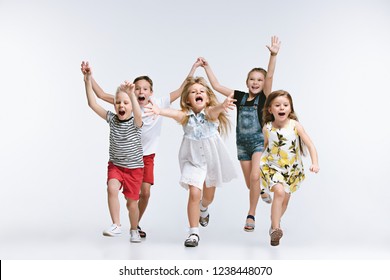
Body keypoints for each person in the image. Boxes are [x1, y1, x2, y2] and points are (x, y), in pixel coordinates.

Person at [81, 59, 202, 238]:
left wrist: (194, 68)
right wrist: (88, 77)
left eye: (145, 89)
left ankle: (135, 225)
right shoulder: (125, 104)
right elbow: (98, 96)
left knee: (144, 193)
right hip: (124, 159)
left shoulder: (157, 104)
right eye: (137, 88)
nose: (141, 91)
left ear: (151, 92)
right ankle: (126, 225)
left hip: (146, 157)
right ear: (132, 91)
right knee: (125, 196)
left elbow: (182, 88)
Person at [199, 36, 281, 232]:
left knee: (254, 176)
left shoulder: (264, 98)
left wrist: (273, 55)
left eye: (259, 80)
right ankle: (261, 190)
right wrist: (207, 67)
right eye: (252, 79)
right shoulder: (239, 96)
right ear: (246, 82)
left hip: (259, 142)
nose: (256, 82)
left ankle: (251, 215)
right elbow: (217, 86)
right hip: (241, 144)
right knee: (250, 183)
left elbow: (269, 77)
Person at [144, 76, 237, 247]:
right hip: (192, 161)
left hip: (211, 162)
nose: (198, 93)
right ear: (188, 99)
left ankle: (203, 209)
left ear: (207, 98)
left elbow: (215, 110)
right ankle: (193, 233)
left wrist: (223, 106)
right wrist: (160, 111)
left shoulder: (209, 114)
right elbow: (173, 113)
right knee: (194, 192)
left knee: (208, 197)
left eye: (201, 91)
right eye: (193, 92)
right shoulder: (185, 116)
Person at [82, 61, 144, 243]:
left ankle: (134, 229)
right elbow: (92, 103)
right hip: (116, 165)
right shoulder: (112, 119)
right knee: (111, 188)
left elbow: (138, 113)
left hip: (134, 169)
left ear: (131, 106)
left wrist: (132, 95)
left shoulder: (136, 122)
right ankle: (116, 224)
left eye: (125, 103)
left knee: (132, 204)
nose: (120, 105)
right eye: (118, 102)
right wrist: (87, 80)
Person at [260, 90, 319, 246]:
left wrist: (315, 162)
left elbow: (310, 144)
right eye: (277, 105)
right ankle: (276, 228)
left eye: (285, 105)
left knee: (284, 202)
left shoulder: (295, 126)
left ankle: (274, 224)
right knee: (278, 192)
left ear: (290, 109)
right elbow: (263, 147)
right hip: (273, 167)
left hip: (292, 170)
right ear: (270, 109)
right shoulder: (267, 128)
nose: (282, 108)